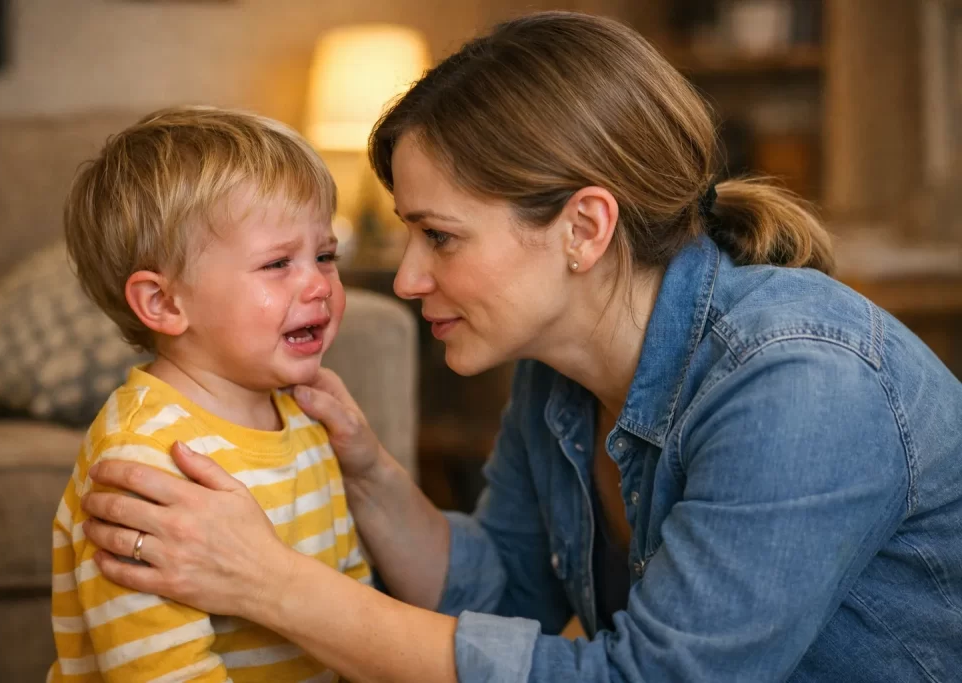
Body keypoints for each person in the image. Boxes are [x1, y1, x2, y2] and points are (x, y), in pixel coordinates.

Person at [77, 12, 962, 683]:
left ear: (584, 228)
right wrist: (373, 477)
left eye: (441, 236)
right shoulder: (557, 374)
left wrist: (274, 586)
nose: (410, 278)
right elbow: (502, 592)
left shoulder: (800, 384)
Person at [48, 106, 370, 683]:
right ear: (165, 304)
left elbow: (349, 595)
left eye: (325, 255)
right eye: (278, 263)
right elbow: (162, 670)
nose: (320, 284)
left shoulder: (303, 415)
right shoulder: (143, 458)